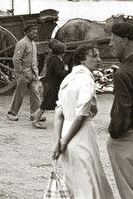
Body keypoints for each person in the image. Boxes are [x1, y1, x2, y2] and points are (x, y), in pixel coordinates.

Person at [52, 45, 114, 198]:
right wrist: (64, 141)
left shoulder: (68, 78)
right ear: (82, 59)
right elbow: (81, 115)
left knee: (73, 179)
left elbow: (58, 113)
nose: (99, 60)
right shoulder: (86, 79)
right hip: (81, 133)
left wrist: (58, 141)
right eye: (94, 56)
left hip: (66, 130)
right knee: (87, 178)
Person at [106, 22, 133, 198]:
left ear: (124, 40)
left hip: (128, 139)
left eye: (112, 40)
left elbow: (122, 113)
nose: (109, 44)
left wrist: (113, 132)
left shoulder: (123, 73)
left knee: (128, 188)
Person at [7, 24, 41, 122]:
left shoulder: (33, 43)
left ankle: (35, 114)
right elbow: (16, 59)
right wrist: (20, 73)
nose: (35, 34)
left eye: (36, 32)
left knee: (35, 93)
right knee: (20, 93)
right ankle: (12, 113)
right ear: (26, 33)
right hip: (24, 73)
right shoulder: (22, 43)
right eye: (33, 32)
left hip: (33, 73)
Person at [32, 40, 69, 129]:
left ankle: (35, 116)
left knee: (47, 103)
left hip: (52, 84)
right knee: (46, 104)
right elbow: (60, 73)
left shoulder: (55, 58)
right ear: (61, 52)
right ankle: (35, 121)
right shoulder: (55, 60)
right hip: (52, 85)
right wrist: (67, 70)